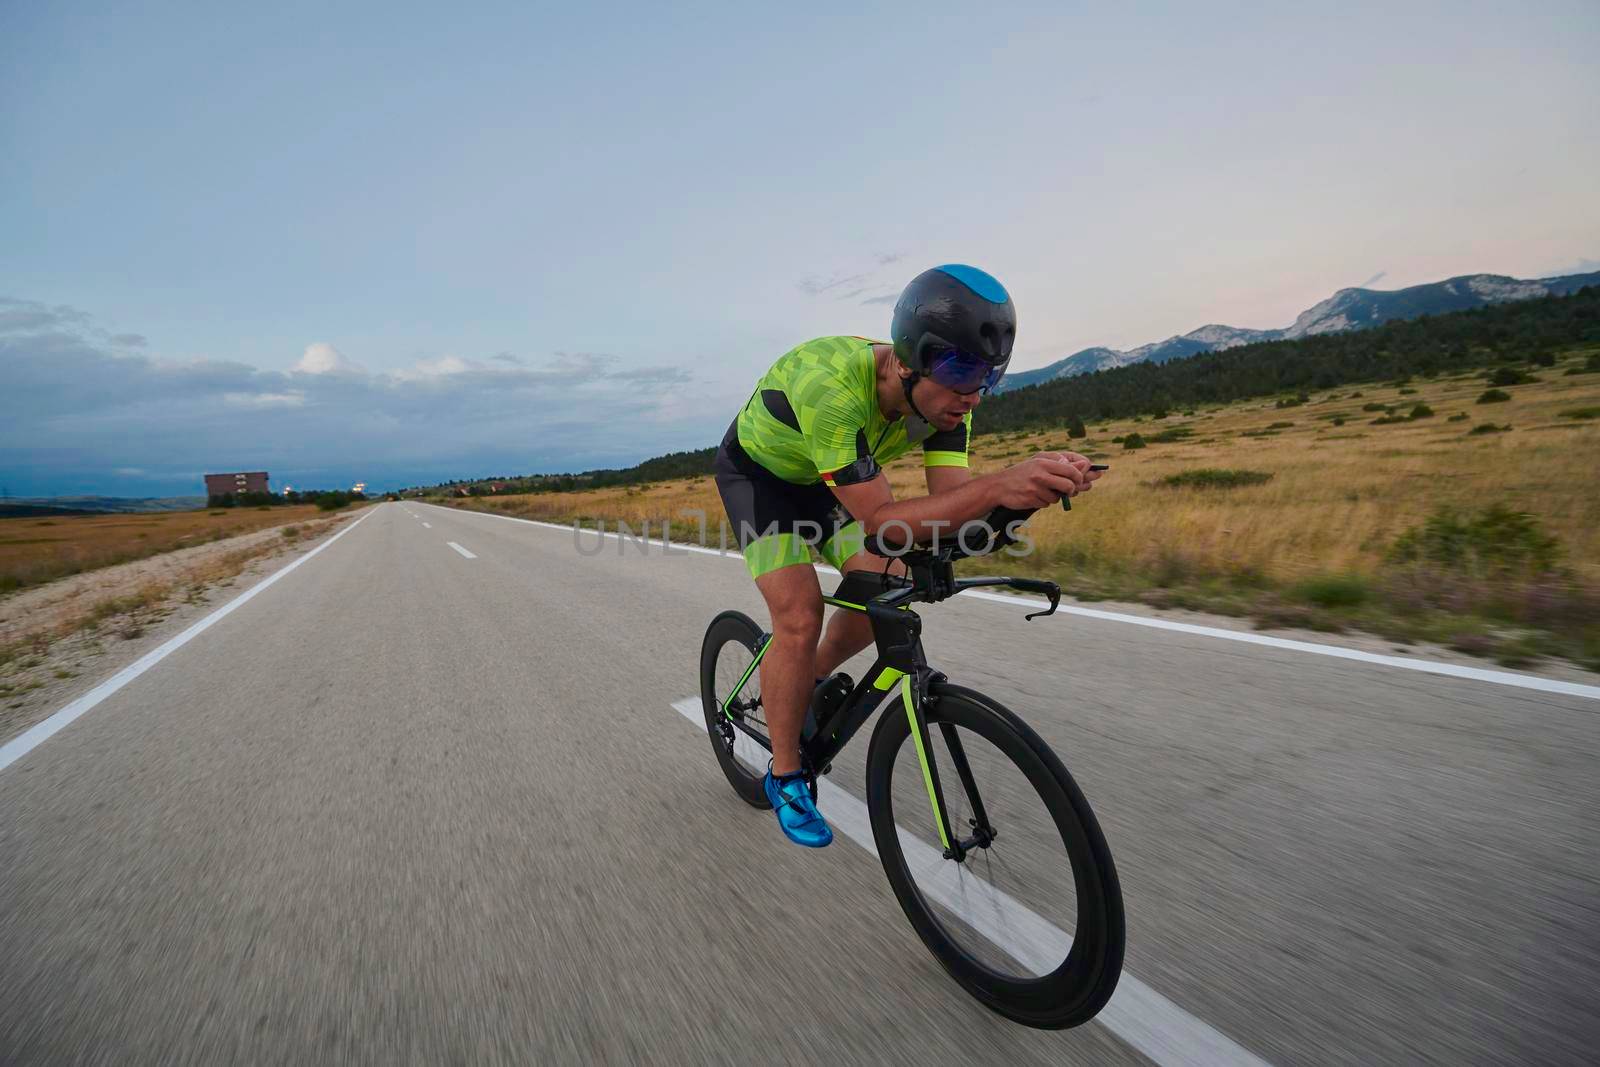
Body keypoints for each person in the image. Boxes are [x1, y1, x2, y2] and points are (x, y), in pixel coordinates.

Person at [713, 265, 1102, 847]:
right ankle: (786, 774)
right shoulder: (833, 390)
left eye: (987, 377)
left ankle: (807, 682)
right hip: (760, 481)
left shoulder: (949, 401)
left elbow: (949, 511)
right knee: (798, 615)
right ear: (904, 361)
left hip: (826, 484)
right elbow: (883, 522)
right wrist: (998, 486)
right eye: (961, 374)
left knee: (886, 579)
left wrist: (1026, 497)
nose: (972, 397)